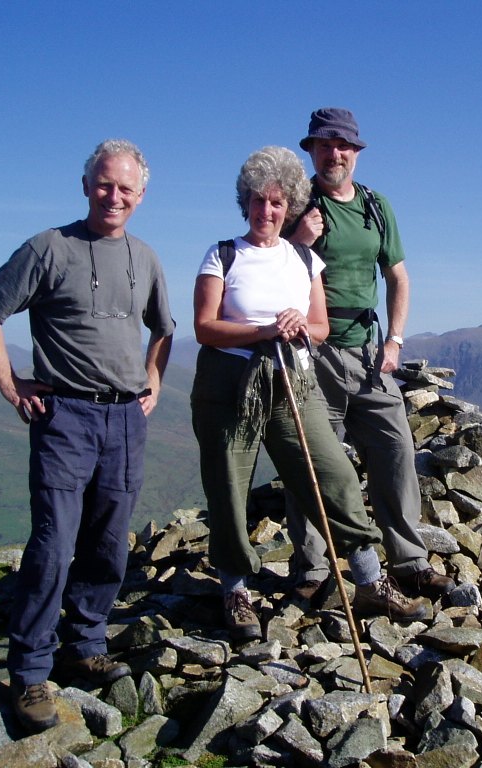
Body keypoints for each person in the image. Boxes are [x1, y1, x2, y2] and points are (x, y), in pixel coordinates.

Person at [0, 139, 175, 733]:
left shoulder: (147, 257)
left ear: (141, 195)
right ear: (86, 185)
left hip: (125, 420)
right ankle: (30, 676)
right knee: (54, 543)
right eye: (104, 184)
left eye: (126, 189)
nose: (114, 196)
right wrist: (12, 387)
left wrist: (152, 382)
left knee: (109, 542)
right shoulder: (47, 248)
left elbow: (163, 328)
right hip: (65, 417)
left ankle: (85, 645)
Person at [190, 146, 426, 642]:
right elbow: (206, 328)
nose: (266, 211)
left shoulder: (304, 259)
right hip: (229, 386)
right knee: (228, 485)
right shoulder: (223, 254)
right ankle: (236, 589)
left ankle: (366, 577)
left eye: (277, 202)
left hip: (291, 381)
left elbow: (319, 326)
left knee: (331, 471)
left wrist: (300, 326)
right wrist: (262, 330)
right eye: (258, 200)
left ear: (289, 205)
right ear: (245, 203)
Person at [287, 108, 455, 602]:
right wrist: (299, 241)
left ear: (356, 154)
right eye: (324, 145)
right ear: (311, 151)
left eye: (343, 146)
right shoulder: (297, 204)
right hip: (313, 354)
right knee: (312, 460)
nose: (333, 154)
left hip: (367, 351)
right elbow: (268, 269)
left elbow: (398, 275)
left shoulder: (376, 206)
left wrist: (395, 340)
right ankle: (312, 569)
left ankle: (409, 561)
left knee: (396, 450)